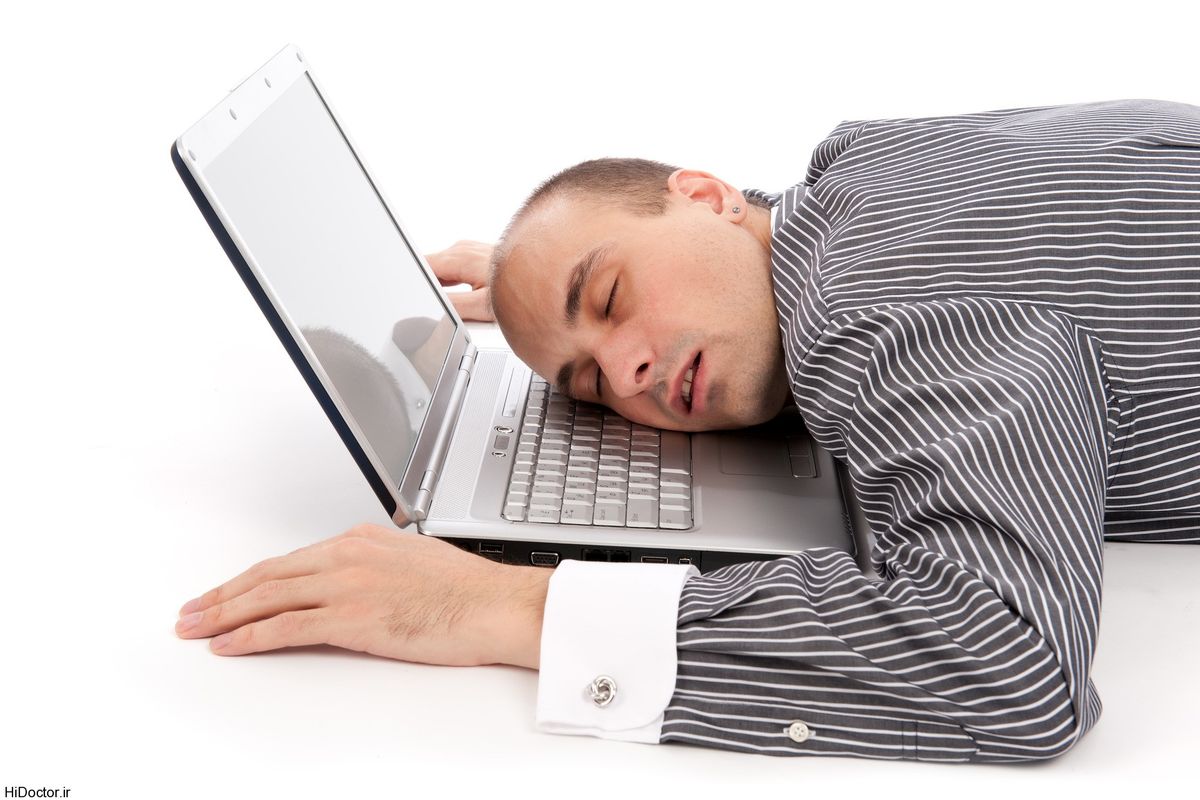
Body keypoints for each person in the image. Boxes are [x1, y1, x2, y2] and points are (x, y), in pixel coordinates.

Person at [175, 99, 1200, 762]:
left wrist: (503, 606)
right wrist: (553, 285)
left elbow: (1012, 660)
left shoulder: (876, 317)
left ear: (706, 196)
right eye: (587, 381)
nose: (625, 372)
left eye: (610, 294)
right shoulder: (860, 164)